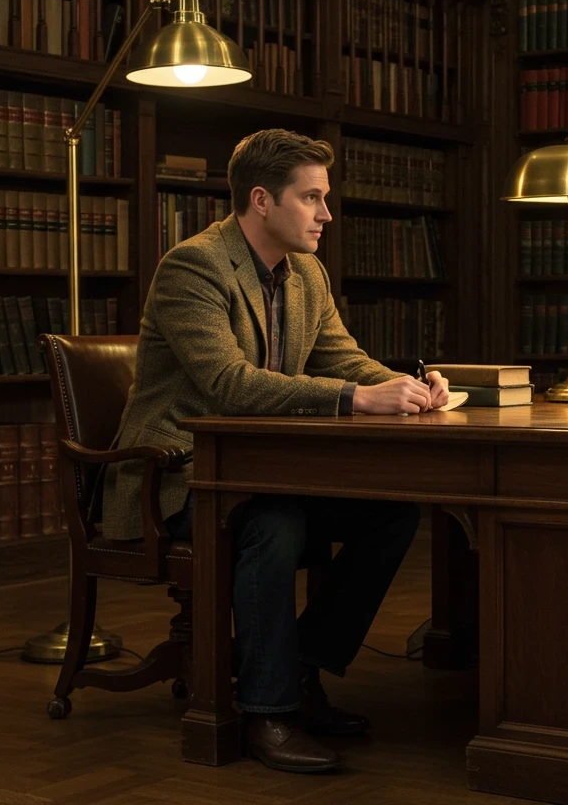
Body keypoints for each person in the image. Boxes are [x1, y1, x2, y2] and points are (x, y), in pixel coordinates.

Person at [102, 129, 449, 774]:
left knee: (392, 513)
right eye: (311, 198)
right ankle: (267, 712)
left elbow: (343, 359)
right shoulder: (194, 266)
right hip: (175, 477)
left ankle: (300, 672)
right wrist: (355, 400)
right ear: (261, 200)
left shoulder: (306, 273)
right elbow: (228, 384)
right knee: (273, 521)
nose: (325, 214)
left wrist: (404, 386)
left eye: (325, 198)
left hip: (261, 471)